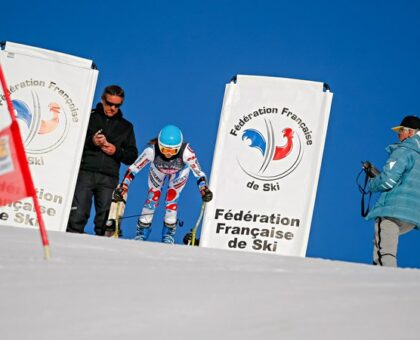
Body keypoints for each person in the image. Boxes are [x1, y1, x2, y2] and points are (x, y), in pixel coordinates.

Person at [112, 124, 213, 244]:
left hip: (179, 172)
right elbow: (134, 169)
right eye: (164, 150)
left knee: (172, 200)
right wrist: (124, 186)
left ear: (179, 147)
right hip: (158, 169)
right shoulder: (151, 151)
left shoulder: (187, 153)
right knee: (152, 198)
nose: (168, 154)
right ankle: (142, 233)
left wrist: (204, 189)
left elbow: (199, 173)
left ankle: (168, 235)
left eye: (173, 150)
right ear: (159, 145)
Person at [66, 85, 138, 235]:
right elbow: (71, 140)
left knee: (106, 223)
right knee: (76, 216)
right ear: (102, 99)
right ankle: (68, 248)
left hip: (109, 178)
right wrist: (92, 141)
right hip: (85, 172)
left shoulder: (126, 127)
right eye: (109, 103)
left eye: (117, 105)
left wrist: (116, 151)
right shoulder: (88, 117)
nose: (112, 108)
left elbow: (132, 156)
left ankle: (104, 253)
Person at [366, 115, 420, 267]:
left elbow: (388, 180)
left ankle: (385, 283)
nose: (398, 135)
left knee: (385, 250)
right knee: (382, 241)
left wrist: (371, 183)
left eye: (401, 131)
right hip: (413, 215)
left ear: (411, 133)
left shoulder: (404, 150)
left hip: (393, 211)